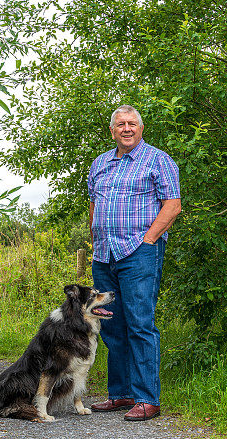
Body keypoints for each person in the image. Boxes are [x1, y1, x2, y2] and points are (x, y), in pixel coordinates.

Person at [88, 105, 181, 421]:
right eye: (120, 124)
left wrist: (150, 239)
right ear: (112, 130)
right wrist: (94, 240)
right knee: (112, 326)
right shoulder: (100, 164)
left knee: (140, 323)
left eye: (131, 124)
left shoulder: (158, 160)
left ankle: (147, 399)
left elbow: (173, 204)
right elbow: (94, 205)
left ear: (140, 129)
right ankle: (122, 394)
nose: (126, 128)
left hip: (139, 252)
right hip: (104, 254)